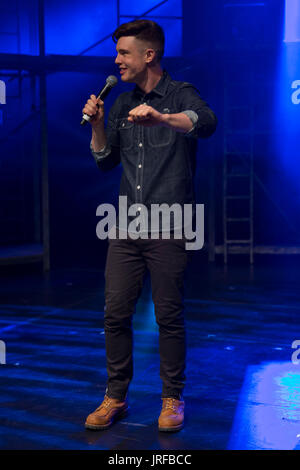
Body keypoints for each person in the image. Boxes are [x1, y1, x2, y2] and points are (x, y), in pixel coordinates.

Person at [83, 19, 217, 432]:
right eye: (117, 53)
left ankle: (172, 398)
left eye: (124, 53)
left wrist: (162, 118)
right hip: (126, 226)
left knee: (168, 316)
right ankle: (116, 397)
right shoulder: (121, 103)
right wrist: (99, 124)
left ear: (149, 55)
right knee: (115, 313)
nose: (117, 60)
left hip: (170, 223)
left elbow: (206, 123)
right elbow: (106, 162)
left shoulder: (180, 94)